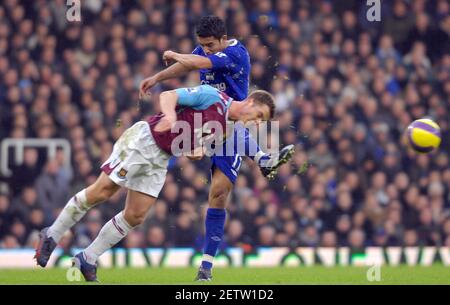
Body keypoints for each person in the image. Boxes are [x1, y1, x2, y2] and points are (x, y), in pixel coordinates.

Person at [34, 84, 276, 282]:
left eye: (262, 123)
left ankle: (87, 258)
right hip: (144, 142)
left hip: (162, 158)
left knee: (136, 216)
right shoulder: (213, 96)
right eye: (259, 117)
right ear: (251, 103)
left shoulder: (227, 127)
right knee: (103, 191)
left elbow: (194, 144)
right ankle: (52, 234)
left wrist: (194, 149)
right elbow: (168, 95)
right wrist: (170, 115)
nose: (257, 123)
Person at [139, 15, 294, 281]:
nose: (206, 48)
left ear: (223, 38)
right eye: (203, 45)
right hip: (204, 119)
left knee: (219, 194)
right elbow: (186, 66)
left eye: (210, 44)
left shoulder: (235, 53)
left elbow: (196, 61)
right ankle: (263, 158)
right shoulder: (208, 49)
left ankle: (206, 268)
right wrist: (158, 77)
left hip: (230, 123)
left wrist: (176, 53)